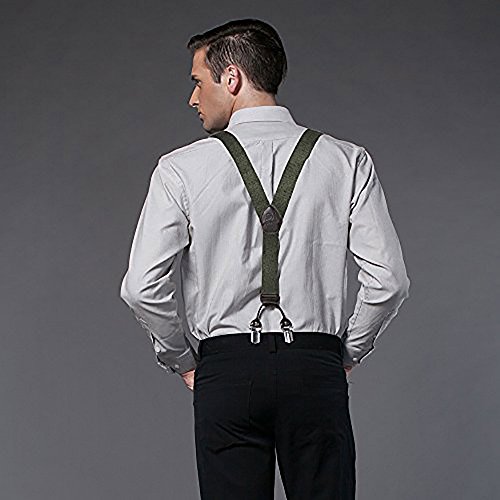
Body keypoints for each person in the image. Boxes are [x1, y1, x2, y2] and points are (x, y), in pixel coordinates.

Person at [119, 18, 410, 500]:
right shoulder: (347, 161)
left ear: (231, 79)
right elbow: (390, 281)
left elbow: (141, 287)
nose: (192, 98)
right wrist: (345, 353)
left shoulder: (180, 169)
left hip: (226, 372)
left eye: (198, 81)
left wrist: (182, 360)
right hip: (314, 366)